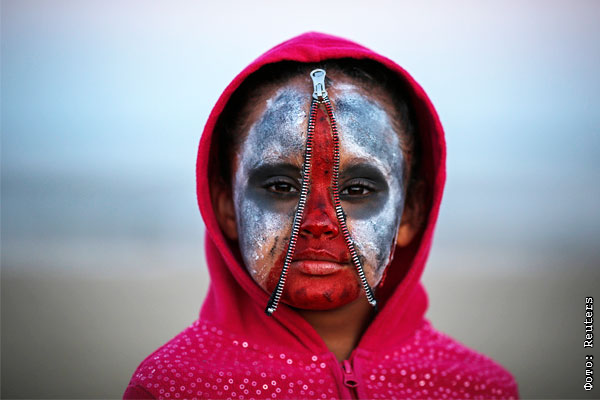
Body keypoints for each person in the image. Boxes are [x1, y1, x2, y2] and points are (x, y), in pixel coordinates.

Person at [124, 32, 519, 399]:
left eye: (357, 190)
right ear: (226, 205)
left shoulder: (479, 389)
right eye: (281, 186)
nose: (318, 223)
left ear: (410, 213)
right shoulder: (172, 387)